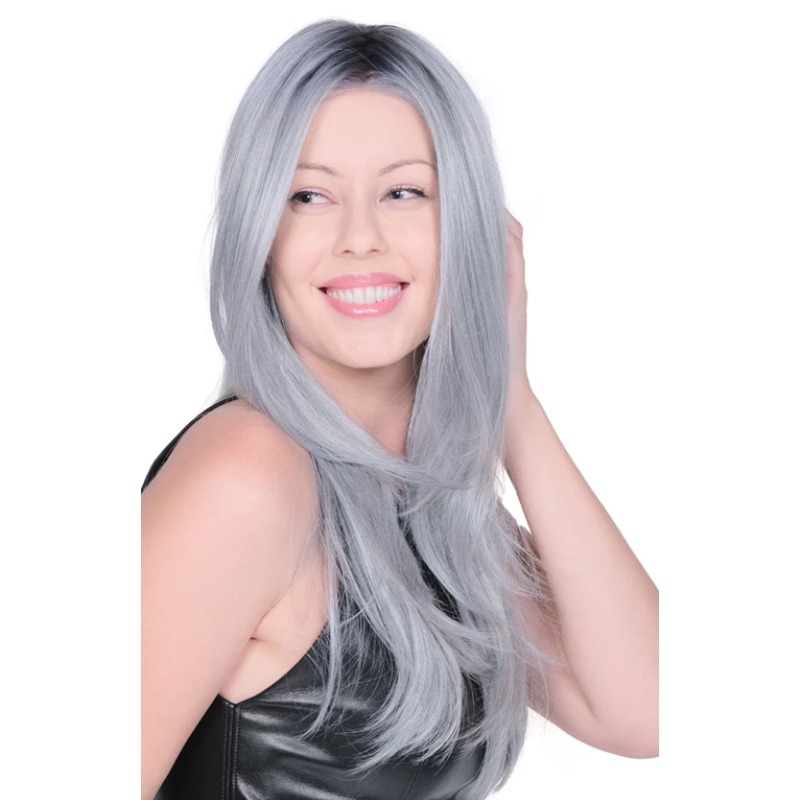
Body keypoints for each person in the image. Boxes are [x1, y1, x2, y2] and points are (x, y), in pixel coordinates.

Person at [141, 18, 658, 800]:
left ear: (470, 231)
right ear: (260, 234)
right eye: (309, 195)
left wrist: (509, 394)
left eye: (404, 192)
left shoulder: (429, 503)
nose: (360, 238)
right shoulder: (249, 475)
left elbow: (644, 710)